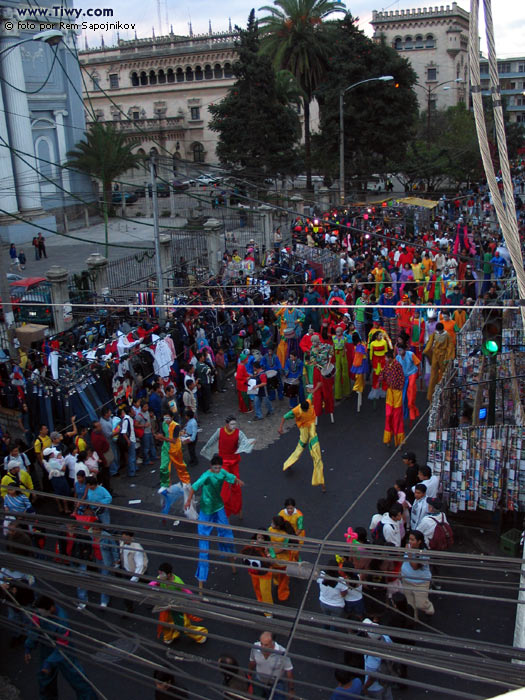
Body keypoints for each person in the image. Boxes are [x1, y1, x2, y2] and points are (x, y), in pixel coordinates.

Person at [184, 454, 243, 589]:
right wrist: (188, 501)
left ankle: (231, 559)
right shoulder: (206, 475)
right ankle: (202, 575)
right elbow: (194, 487)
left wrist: (237, 480)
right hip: (206, 509)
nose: (217, 469)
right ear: (211, 467)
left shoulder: (222, 472)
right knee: (203, 542)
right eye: (215, 467)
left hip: (218, 506)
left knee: (227, 533)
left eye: (219, 467)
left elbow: (230, 477)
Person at [24, 595, 97, 699]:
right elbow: (34, 630)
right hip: (47, 646)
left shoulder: (62, 621)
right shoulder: (40, 613)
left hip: (63, 650)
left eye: (43, 611)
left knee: (78, 679)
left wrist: (48, 663)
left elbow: (62, 646)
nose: (42, 614)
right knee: (44, 679)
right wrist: (28, 647)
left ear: (52, 608)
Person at [200, 416, 255, 518]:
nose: (233, 426)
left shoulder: (239, 433)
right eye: (231, 424)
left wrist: (250, 443)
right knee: (224, 489)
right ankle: (225, 512)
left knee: (236, 487)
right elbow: (211, 441)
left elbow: (244, 441)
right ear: (226, 424)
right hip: (223, 463)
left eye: (234, 424)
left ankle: (237, 509)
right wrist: (206, 449)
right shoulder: (219, 431)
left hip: (234, 462)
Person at [277, 392, 325, 491]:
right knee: (300, 448)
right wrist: (280, 428)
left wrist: (314, 390)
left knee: (315, 452)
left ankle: (319, 477)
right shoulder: (296, 411)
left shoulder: (308, 401)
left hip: (311, 429)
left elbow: (311, 394)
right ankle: (288, 463)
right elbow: (284, 417)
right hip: (304, 430)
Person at [153, 562, 207, 645]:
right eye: (159, 573)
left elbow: (186, 591)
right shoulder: (160, 578)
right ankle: (168, 636)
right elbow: (153, 583)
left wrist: (194, 599)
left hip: (178, 606)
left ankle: (200, 635)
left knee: (184, 625)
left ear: (169, 574)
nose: (160, 576)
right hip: (166, 606)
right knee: (165, 624)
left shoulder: (177, 582)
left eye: (162, 574)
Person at [248, 631, 294, 699]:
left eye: (266, 645)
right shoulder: (255, 647)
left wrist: (291, 690)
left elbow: (289, 672)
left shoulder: (282, 652)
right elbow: (252, 662)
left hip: (276, 685)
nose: (262, 647)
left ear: (273, 643)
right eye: (261, 643)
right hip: (259, 681)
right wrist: (249, 677)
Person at [400, 530, 434, 619]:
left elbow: (415, 566)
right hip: (406, 579)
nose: (410, 542)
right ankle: (413, 619)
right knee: (410, 604)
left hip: (421, 582)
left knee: (420, 604)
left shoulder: (424, 553)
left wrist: (410, 553)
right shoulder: (408, 548)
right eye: (409, 539)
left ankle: (428, 607)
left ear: (419, 541)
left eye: (412, 540)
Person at [241, 531, 275, 613]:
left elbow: (272, 562)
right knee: (257, 588)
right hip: (254, 572)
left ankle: (269, 612)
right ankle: (260, 602)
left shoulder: (269, 547)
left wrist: (267, 553)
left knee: (265, 592)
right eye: (258, 537)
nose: (259, 540)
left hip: (265, 574)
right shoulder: (252, 545)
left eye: (262, 538)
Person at [155, 414, 190, 492]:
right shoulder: (163, 424)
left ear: (172, 417)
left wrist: (162, 438)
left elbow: (174, 441)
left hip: (175, 448)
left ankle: (185, 481)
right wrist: (159, 437)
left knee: (180, 465)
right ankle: (165, 484)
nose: (166, 420)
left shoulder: (176, 426)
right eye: (165, 418)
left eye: (168, 418)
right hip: (166, 447)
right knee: (163, 467)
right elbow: (163, 435)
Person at [89, 522, 119, 608]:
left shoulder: (107, 537)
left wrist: (116, 560)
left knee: (104, 580)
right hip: (97, 560)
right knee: (103, 577)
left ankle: (104, 601)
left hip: (106, 561)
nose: (95, 531)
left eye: (97, 529)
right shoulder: (90, 535)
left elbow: (114, 548)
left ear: (101, 530)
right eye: (94, 529)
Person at [362, 618, 393, 699]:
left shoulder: (372, 656)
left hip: (375, 687)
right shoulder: (386, 638)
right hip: (387, 679)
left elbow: (371, 678)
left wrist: (365, 687)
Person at [379, 351, 405, 447]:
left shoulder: (397, 365)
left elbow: (402, 378)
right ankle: (388, 438)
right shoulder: (387, 365)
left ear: (390, 358)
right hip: (390, 392)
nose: (385, 359)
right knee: (388, 415)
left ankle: (399, 441)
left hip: (397, 393)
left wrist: (399, 387)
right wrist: (379, 381)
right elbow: (383, 374)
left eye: (386, 358)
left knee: (397, 416)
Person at [423, 322, 455, 401]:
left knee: (444, 373)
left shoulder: (447, 335)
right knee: (433, 374)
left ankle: (443, 391)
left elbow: (450, 346)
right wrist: (426, 351)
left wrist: (448, 358)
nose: (439, 332)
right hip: (435, 355)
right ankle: (430, 395)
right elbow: (430, 343)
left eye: (440, 331)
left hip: (443, 356)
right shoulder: (434, 334)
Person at [268, 515, 296, 603]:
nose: (271, 524)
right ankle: (282, 593)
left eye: (273, 523)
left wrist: (271, 553)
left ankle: (281, 591)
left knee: (280, 576)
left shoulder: (273, 531)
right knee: (282, 577)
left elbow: (282, 548)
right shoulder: (274, 531)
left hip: (279, 560)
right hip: (279, 560)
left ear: (277, 526)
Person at [119, 531, 148, 612]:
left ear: (131, 537)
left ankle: (151, 599)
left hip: (137, 573)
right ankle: (129, 608)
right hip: (127, 571)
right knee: (127, 592)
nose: (123, 539)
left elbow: (140, 566)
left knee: (145, 587)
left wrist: (133, 580)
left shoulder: (137, 549)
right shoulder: (122, 542)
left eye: (125, 538)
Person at [316, 560, 348, 630]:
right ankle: (331, 633)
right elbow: (344, 594)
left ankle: (325, 630)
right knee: (334, 622)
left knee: (326, 618)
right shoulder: (341, 581)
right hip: (337, 606)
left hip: (323, 603)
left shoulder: (321, 576)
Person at [396, 345, 420, 426]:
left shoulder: (410, 354)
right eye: (398, 350)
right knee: (402, 400)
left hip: (411, 377)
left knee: (410, 400)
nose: (399, 352)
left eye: (401, 350)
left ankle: (412, 415)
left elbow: (418, 363)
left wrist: (417, 373)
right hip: (403, 378)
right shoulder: (398, 357)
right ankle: (404, 416)